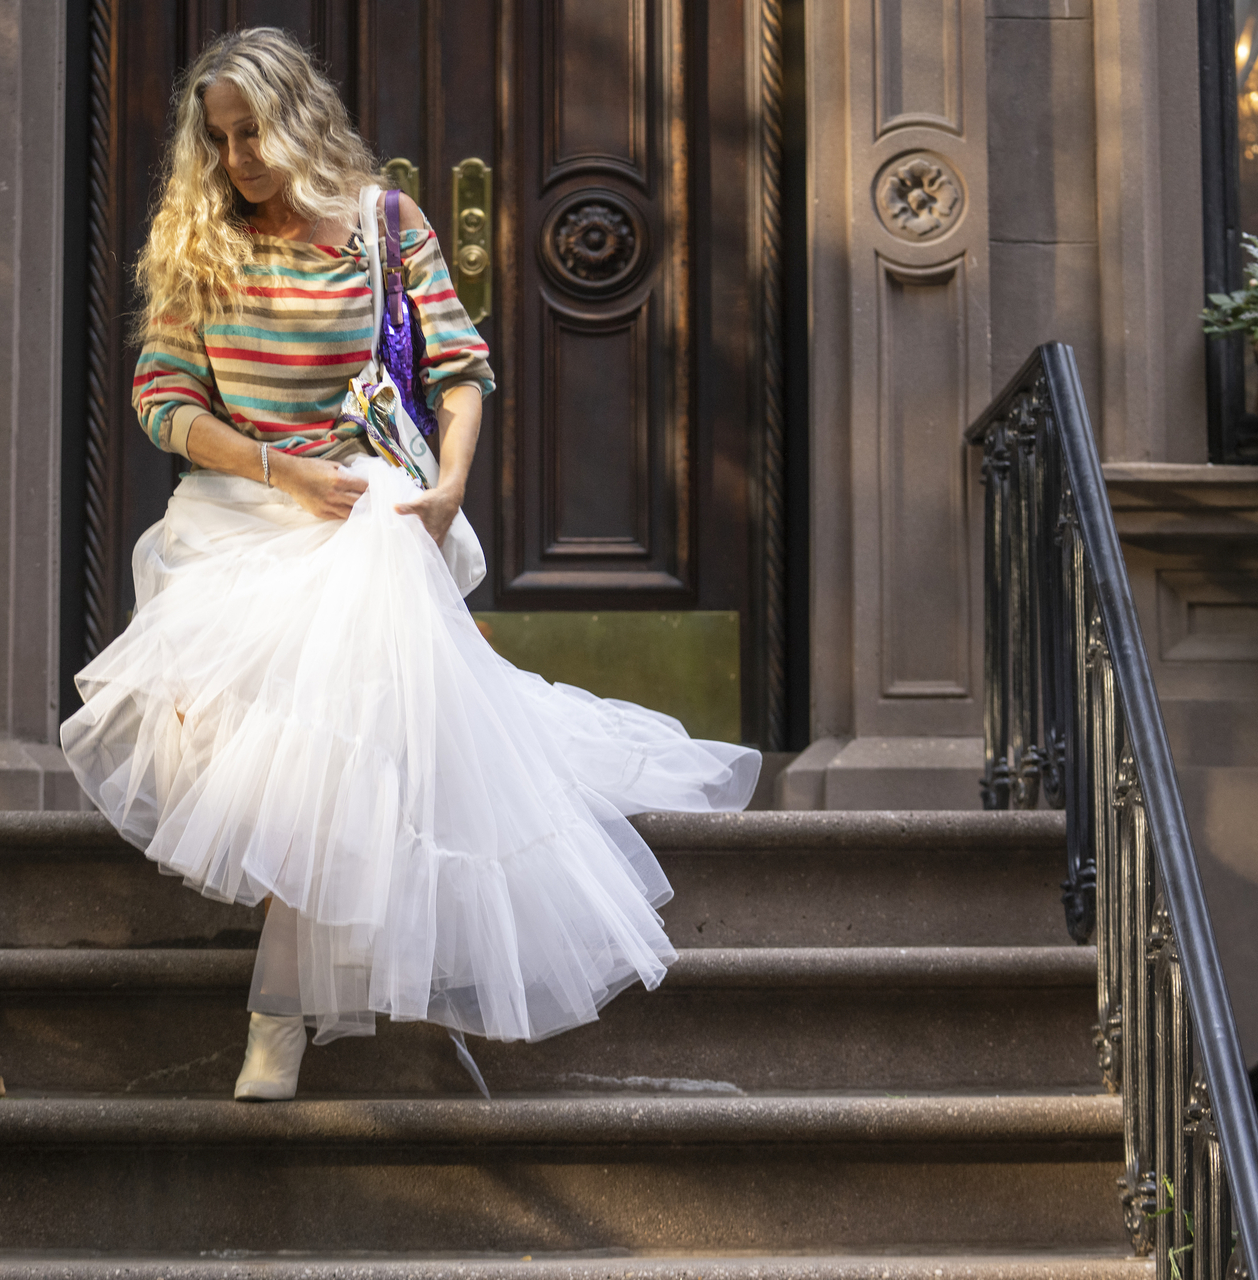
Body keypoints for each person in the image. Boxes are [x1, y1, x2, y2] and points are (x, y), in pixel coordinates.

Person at [60, 27, 759, 1101]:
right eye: (222, 138)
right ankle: (307, 991)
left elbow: (462, 367)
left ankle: (278, 1015)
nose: (239, 159)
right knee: (247, 746)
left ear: (300, 118)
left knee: (330, 748)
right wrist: (275, 468)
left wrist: (447, 492)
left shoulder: (387, 223)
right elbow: (163, 402)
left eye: (255, 133)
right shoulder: (196, 237)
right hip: (236, 515)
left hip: (363, 514)